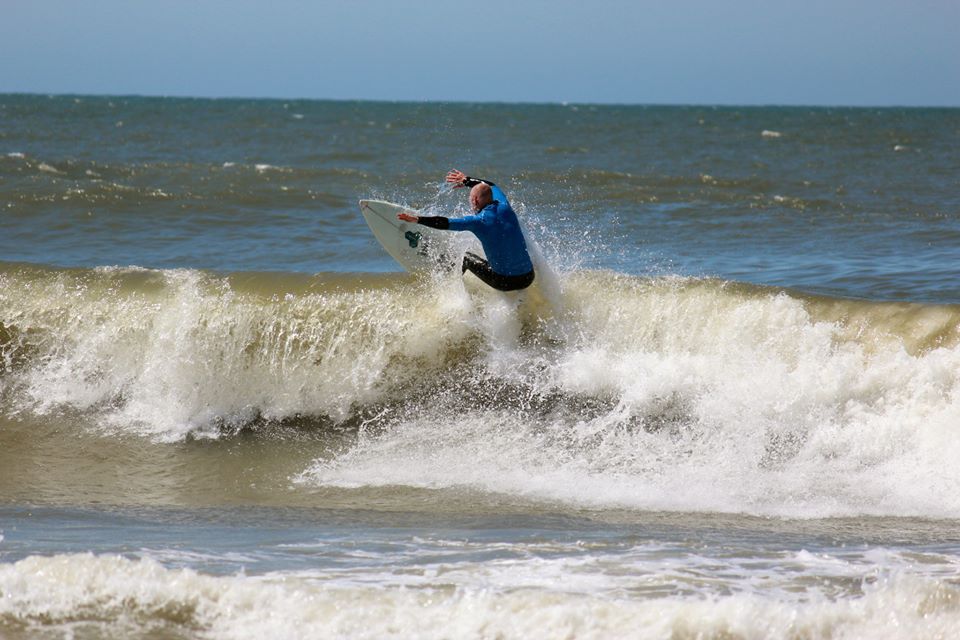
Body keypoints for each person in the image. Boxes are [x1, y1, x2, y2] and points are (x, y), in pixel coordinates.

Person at [397, 170, 535, 292]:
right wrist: (467, 180)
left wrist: (417, 219)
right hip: (528, 277)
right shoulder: (505, 206)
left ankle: (448, 290)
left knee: (466, 258)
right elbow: (492, 185)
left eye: (470, 199)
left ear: (475, 200)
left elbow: (445, 223)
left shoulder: (478, 221)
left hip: (504, 282)